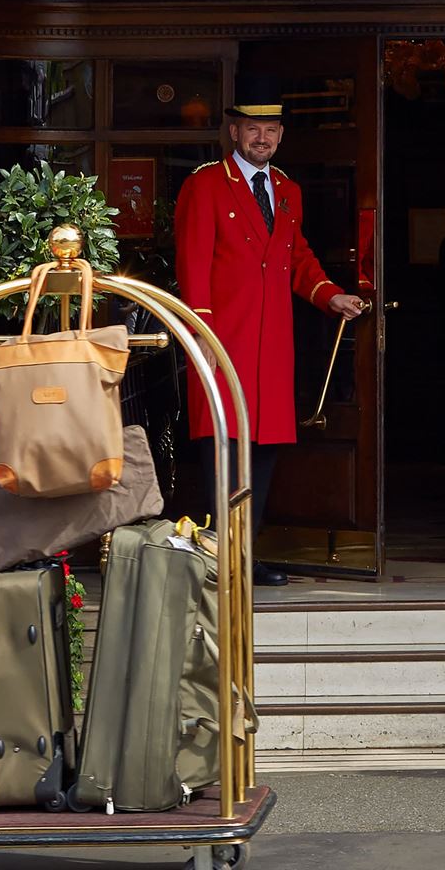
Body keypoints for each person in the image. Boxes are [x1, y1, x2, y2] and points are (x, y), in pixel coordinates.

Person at [175, 76, 366, 587]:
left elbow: (296, 257)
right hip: (224, 342)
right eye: (253, 129)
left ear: (280, 135)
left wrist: (330, 294)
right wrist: (202, 336)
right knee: (223, 447)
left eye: (271, 130)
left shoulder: (286, 189)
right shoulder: (205, 185)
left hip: (272, 346)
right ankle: (215, 558)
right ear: (234, 132)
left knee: (262, 452)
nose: (263, 138)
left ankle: (245, 556)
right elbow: (192, 265)